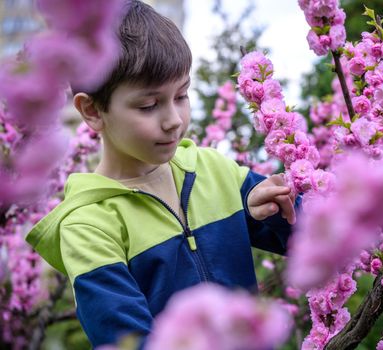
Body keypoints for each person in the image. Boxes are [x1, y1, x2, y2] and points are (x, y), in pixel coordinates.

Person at [26, 0, 298, 347]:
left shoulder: (214, 170)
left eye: (181, 95)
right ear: (92, 110)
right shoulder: (88, 227)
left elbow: (314, 243)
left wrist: (275, 211)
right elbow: (126, 340)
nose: (174, 120)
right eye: (149, 105)